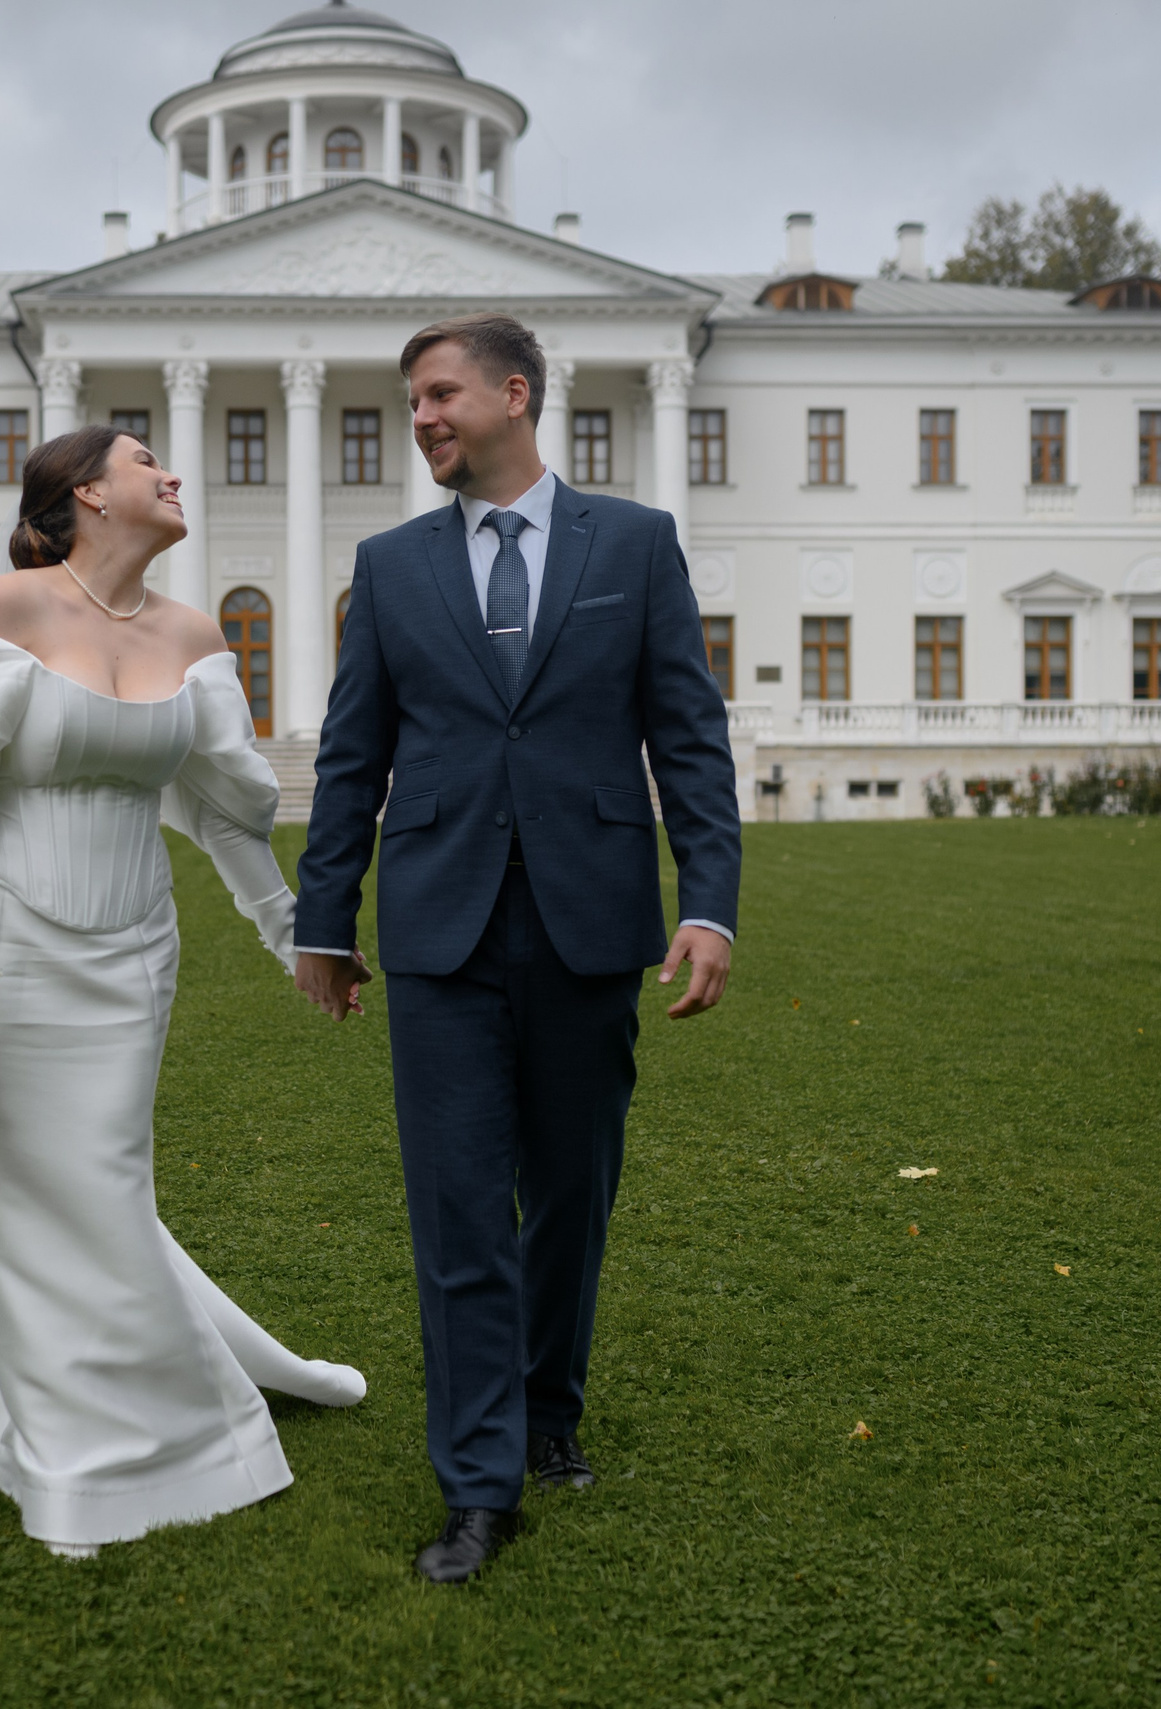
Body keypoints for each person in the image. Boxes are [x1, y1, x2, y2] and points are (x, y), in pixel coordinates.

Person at [293, 314, 744, 1584]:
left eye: (439, 395)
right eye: (412, 401)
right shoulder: (387, 568)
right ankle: (479, 1485)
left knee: (569, 1195)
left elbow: (689, 742)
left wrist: (706, 902)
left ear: (514, 393)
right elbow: (350, 758)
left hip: (591, 919)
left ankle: (551, 1410)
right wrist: (326, 916)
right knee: (456, 1211)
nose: (422, 417)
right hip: (438, 931)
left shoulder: (638, 546)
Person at [0, 424, 365, 1559]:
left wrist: (295, 934)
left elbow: (228, 808)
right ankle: (75, 1462)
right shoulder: (8, 607)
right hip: (1, 945)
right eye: (149, 461)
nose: (174, 474)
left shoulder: (194, 636)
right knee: (33, 1179)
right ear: (88, 492)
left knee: (92, 1173)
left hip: (135, 948)